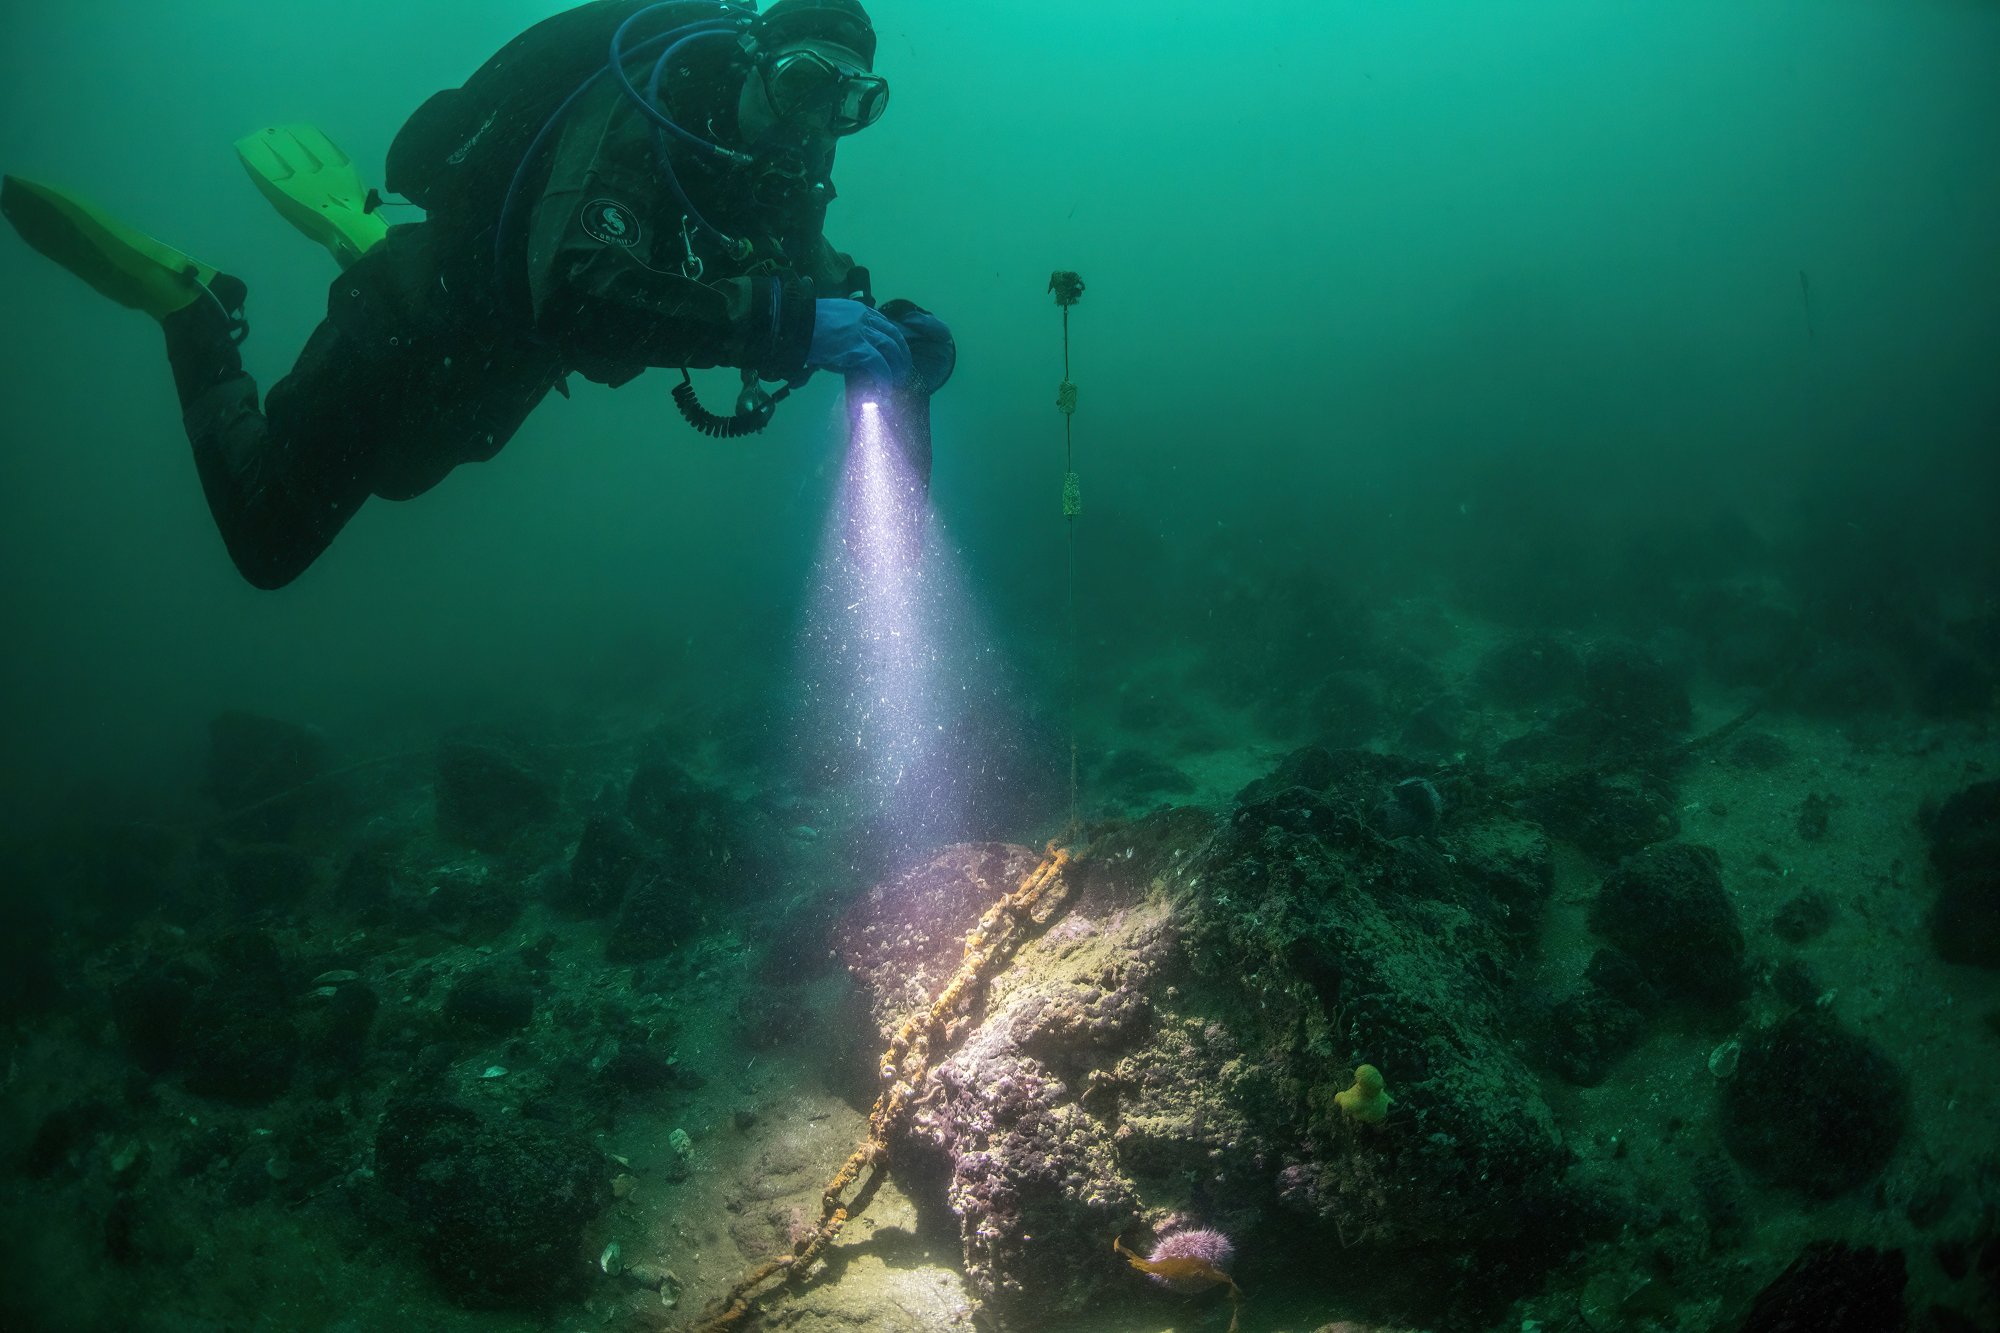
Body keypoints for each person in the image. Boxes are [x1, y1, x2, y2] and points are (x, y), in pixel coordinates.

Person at [1, 0, 953, 590]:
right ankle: (197, 311)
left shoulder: (773, 169)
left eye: (848, 106)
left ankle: (374, 238)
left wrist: (900, 328)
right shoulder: (638, 113)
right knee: (268, 542)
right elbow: (576, 291)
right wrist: (790, 325)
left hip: (493, 375)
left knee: (407, 477)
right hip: (408, 330)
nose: (812, 124)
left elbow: (815, 280)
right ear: (752, 60)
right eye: (800, 83)